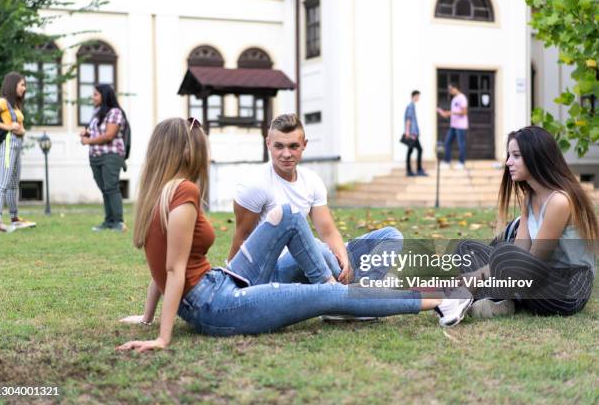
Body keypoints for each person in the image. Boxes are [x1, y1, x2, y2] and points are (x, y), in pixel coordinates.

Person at [116, 117, 473, 352]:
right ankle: (442, 297)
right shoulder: (184, 194)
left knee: (287, 215)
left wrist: (148, 318)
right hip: (215, 305)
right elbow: (173, 271)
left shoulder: (158, 194)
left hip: (222, 283)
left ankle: (333, 287)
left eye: (294, 146)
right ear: (187, 151)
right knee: (326, 294)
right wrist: (162, 337)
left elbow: (162, 267)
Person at [229, 114, 403, 287]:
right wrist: (231, 285)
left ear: (304, 145)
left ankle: (357, 288)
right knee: (319, 248)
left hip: (317, 258)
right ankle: (356, 293)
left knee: (391, 236)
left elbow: (328, 232)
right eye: (279, 146)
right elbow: (242, 238)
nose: (286, 154)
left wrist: (343, 258)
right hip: (277, 268)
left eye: (293, 146)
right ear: (268, 144)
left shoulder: (311, 180)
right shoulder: (254, 184)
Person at [456, 126, 597, 317]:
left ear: (536, 157)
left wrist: (479, 275)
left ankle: (499, 297)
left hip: (566, 289)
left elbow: (533, 261)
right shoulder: (530, 196)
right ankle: (504, 300)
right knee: (466, 248)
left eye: (516, 155)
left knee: (505, 254)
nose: (508, 162)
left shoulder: (559, 201)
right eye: (509, 155)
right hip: (535, 278)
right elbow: (521, 249)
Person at [0, 72, 36, 233]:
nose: (24, 88)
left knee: (14, 184)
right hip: (6, 146)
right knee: (3, 183)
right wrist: (7, 127)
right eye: (22, 84)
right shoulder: (2, 102)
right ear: (12, 84)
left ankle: (15, 219)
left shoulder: (14, 105)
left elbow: (19, 128)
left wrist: (21, 130)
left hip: (16, 145)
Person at [80, 84, 127, 232]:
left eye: (95, 94)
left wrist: (89, 141)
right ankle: (109, 221)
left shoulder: (115, 112)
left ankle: (119, 222)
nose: (93, 97)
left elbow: (109, 135)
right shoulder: (97, 113)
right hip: (95, 156)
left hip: (111, 155)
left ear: (104, 95)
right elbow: (94, 133)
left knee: (111, 187)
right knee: (105, 189)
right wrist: (85, 135)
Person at [437, 84, 468, 170]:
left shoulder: (462, 98)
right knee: (447, 143)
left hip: (460, 126)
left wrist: (451, 113)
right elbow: (454, 112)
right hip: (453, 125)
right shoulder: (454, 99)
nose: (449, 91)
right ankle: (447, 161)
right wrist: (445, 114)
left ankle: (461, 163)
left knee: (461, 144)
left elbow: (464, 112)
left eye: (450, 89)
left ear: (455, 88)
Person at [404, 90, 427, 177]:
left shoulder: (412, 106)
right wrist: (407, 132)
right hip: (412, 134)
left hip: (413, 133)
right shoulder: (410, 106)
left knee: (412, 150)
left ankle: (412, 170)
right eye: (418, 96)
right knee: (418, 150)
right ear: (414, 96)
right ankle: (417, 170)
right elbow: (408, 120)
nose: (419, 98)